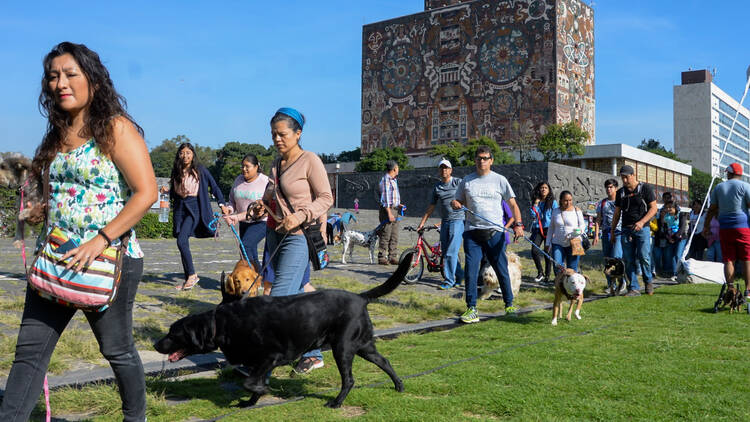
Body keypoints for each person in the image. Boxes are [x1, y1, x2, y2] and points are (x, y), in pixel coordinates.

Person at [0, 42, 156, 421]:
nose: (61, 83)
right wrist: (41, 210)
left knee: (116, 350)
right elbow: (67, 193)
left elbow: (146, 192)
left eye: (71, 74)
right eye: (53, 76)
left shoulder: (116, 128)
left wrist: (99, 240)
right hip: (56, 258)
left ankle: (136, 418)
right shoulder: (56, 133)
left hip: (108, 259)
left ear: (94, 81)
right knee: (29, 354)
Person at [251, 107, 333, 375]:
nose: (277, 139)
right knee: (295, 297)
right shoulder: (276, 164)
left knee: (277, 301)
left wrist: (301, 215)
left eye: (282, 134)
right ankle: (312, 352)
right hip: (274, 234)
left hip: (297, 238)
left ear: (298, 134)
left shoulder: (310, 160)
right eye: (273, 134)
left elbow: (325, 198)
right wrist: (259, 207)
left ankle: (261, 364)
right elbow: (270, 197)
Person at [450, 145, 524, 323]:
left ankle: (509, 305)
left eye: (485, 158)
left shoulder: (500, 180)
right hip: (472, 233)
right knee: (471, 271)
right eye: (479, 158)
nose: (482, 161)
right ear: (475, 160)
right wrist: (455, 203)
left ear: (491, 160)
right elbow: (456, 200)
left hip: (495, 233)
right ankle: (471, 309)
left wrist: (519, 224)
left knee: (501, 270)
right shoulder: (467, 181)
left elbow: (513, 205)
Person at [165, 143, 229, 290]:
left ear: (193, 154)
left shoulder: (200, 170)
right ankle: (189, 277)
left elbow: (214, 186)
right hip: (180, 208)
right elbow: (175, 191)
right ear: (178, 155)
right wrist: (167, 191)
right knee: (182, 241)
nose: (185, 156)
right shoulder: (176, 170)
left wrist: (222, 204)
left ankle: (192, 275)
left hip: (194, 208)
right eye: (182, 153)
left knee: (181, 241)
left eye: (188, 153)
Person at [703, 163, 750, 301]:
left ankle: (730, 288)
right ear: (740, 174)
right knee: (746, 259)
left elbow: (712, 209)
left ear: (728, 173)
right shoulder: (746, 186)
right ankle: (748, 290)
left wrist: (706, 226)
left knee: (729, 259)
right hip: (743, 228)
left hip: (725, 228)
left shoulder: (718, 187)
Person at [417, 158, 465, 290]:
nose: (444, 170)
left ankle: (449, 281)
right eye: (441, 168)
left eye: (446, 168)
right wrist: (422, 223)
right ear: (439, 170)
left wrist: (461, 203)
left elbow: (469, 197)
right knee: (446, 253)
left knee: (451, 252)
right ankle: (460, 275)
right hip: (445, 222)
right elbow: (431, 207)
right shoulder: (437, 187)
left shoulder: (458, 182)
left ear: (451, 170)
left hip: (458, 220)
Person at [611, 165, 658, 296]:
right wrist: (613, 231)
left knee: (644, 257)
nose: (624, 180)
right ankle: (634, 287)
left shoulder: (645, 189)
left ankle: (648, 281)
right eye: (622, 178)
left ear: (633, 175)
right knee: (628, 259)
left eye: (626, 177)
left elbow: (653, 209)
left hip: (643, 228)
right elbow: (617, 213)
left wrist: (642, 222)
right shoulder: (620, 193)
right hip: (626, 229)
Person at [223, 153, 269, 266]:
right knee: (249, 252)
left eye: (247, 166)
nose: (244, 169)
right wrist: (229, 209)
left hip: (260, 222)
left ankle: (251, 278)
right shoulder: (238, 180)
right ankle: (258, 278)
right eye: (242, 166)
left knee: (246, 246)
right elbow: (232, 201)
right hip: (243, 222)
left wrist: (238, 217)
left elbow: (267, 204)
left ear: (256, 167)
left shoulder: (265, 181)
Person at [595, 178, 625, 293]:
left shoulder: (621, 201)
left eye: (611, 187)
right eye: (607, 187)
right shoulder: (602, 203)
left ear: (616, 188)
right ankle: (610, 284)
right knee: (607, 261)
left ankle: (622, 281)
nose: (608, 189)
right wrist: (597, 234)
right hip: (606, 233)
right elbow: (598, 219)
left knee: (616, 259)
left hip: (619, 233)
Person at [545, 191, 587, 273]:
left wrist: (573, 234)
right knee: (557, 265)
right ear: (560, 200)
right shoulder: (555, 211)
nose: (568, 203)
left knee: (572, 268)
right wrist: (547, 243)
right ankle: (560, 282)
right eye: (566, 200)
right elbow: (551, 228)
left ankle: (570, 284)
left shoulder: (577, 210)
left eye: (570, 200)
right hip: (557, 243)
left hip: (574, 242)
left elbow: (582, 226)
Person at [529, 181, 557, 284]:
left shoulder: (553, 202)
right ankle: (540, 272)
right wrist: (535, 204)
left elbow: (556, 216)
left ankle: (547, 275)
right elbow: (532, 215)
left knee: (547, 253)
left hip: (550, 229)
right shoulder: (536, 201)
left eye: (545, 188)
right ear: (539, 190)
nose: (543, 189)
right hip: (538, 229)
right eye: (542, 188)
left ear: (549, 190)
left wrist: (555, 230)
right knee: (534, 250)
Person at [378, 160, 404, 265]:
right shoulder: (386, 180)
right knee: (386, 234)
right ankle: (382, 257)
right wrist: (389, 213)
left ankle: (392, 256)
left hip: (395, 209)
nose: (398, 170)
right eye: (397, 168)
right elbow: (385, 199)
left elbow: (392, 197)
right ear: (394, 169)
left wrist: (399, 204)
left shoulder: (394, 180)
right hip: (387, 210)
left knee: (394, 234)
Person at [654, 201, 680, 279]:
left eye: (670, 207)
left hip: (679, 237)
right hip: (669, 237)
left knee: (678, 254)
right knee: (670, 255)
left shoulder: (680, 215)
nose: (668, 209)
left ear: (675, 208)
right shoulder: (666, 216)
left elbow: (682, 227)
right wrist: (669, 238)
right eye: (667, 207)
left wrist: (675, 237)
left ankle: (679, 271)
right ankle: (673, 273)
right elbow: (663, 226)